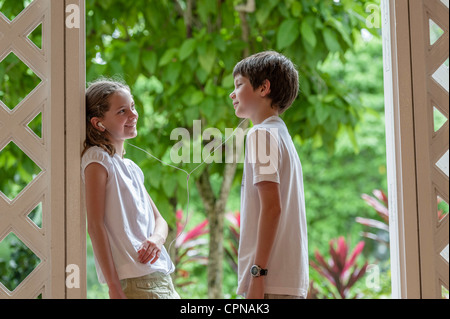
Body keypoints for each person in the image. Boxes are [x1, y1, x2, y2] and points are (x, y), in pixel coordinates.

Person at [81, 78, 179, 299]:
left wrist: (156, 239)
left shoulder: (131, 168)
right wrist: (114, 288)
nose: (133, 115)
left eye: (132, 107)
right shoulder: (97, 159)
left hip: (162, 279)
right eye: (122, 111)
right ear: (99, 123)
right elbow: (95, 226)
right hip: (136, 284)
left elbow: (160, 221)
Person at [229, 51, 309, 299]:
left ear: (263, 87)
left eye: (239, 84)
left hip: (269, 282)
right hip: (289, 280)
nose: (232, 94)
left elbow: (272, 208)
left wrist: (257, 274)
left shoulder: (260, 135)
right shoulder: (281, 135)